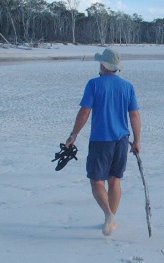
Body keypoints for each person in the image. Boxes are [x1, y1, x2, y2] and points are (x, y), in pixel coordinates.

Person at [65, 48, 141, 236]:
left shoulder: (94, 84)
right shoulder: (128, 87)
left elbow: (85, 111)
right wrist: (137, 141)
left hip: (101, 140)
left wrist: (74, 134)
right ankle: (111, 220)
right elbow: (134, 115)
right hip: (122, 141)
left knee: (97, 181)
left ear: (104, 65)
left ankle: (108, 215)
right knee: (115, 180)